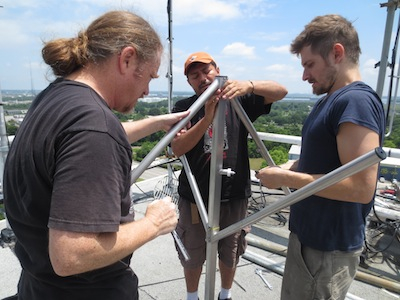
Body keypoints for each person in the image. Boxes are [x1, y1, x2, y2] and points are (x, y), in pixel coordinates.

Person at [3, 10, 189, 300]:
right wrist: (154, 223)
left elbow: (75, 143)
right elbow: (71, 256)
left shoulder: (57, 99)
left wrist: (156, 123)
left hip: (38, 287)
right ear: (127, 59)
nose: (146, 91)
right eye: (149, 76)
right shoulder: (93, 127)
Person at [255, 14, 386, 300]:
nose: (304, 76)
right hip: (309, 240)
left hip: (327, 250)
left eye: (309, 64)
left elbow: (361, 188)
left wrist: (287, 178)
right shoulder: (330, 101)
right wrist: (290, 166)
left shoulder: (356, 102)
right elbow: (322, 161)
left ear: (337, 53)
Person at [171, 51, 288, 300]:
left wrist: (249, 85)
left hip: (234, 193)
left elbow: (280, 91)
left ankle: (226, 294)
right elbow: (178, 148)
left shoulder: (239, 100)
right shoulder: (184, 108)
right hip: (195, 195)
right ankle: (193, 297)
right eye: (195, 75)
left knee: (231, 249)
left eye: (206, 71)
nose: (202, 78)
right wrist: (207, 116)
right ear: (190, 82)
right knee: (193, 251)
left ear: (217, 70)